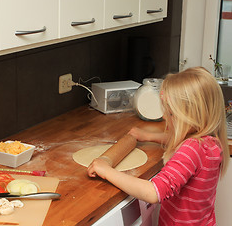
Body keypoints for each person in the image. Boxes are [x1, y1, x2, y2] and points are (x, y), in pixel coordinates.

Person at [87, 67, 230, 226]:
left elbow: (153, 192)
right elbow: (184, 138)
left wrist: (106, 171)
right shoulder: (210, 141)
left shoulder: (191, 149)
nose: (164, 116)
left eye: (171, 113)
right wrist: (148, 136)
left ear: (191, 116)